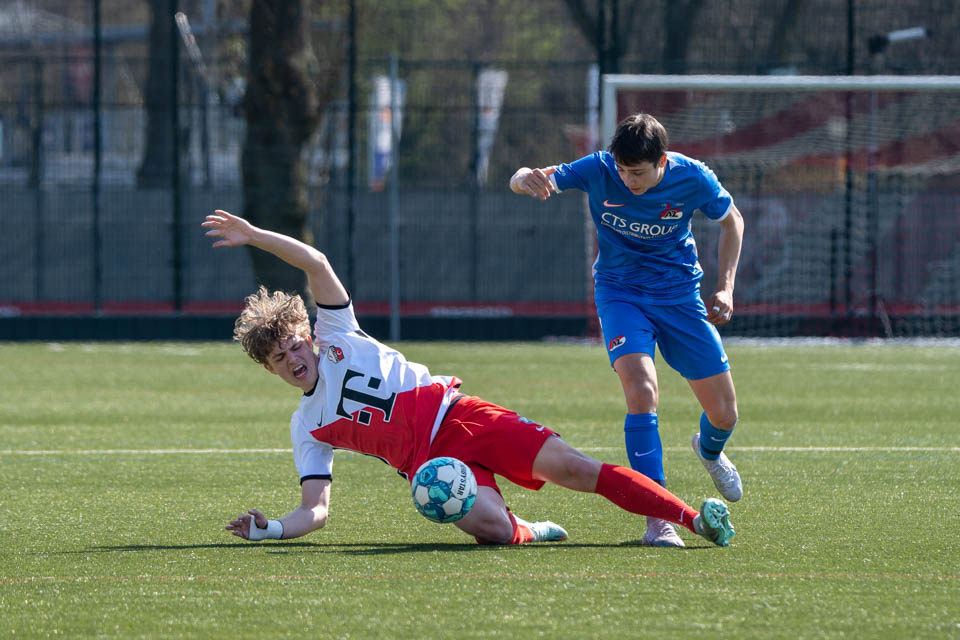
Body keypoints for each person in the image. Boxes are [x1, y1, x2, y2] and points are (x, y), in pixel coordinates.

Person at [202, 209, 735, 547]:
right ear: (269, 369)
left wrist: (252, 237)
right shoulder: (307, 427)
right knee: (495, 532)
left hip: (461, 418)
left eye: (296, 344)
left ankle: (690, 519)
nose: (294, 358)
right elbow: (315, 511)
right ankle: (525, 528)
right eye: (279, 358)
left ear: (309, 336)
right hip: (428, 470)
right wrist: (269, 528)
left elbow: (316, 261)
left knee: (574, 468)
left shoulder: (338, 331)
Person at [509, 113, 744, 548]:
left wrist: (726, 287)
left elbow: (733, 221)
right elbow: (529, 176)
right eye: (622, 170)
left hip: (680, 299)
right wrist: (524, 178)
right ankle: (659, 518)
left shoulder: (693, 176)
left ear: (662, 162)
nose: (627, 180)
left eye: (637, 172)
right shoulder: (599, 168)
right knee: (641, 389)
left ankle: (709, 450)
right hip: (621, 295)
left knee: (725, 414)